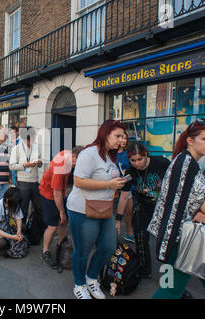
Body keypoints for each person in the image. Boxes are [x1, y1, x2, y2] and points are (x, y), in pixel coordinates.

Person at [148, 119, 205, 299]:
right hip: (181, 239)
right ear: (190, 140)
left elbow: (187, 200)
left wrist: (202, 209)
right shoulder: (187, 165)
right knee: (170, 289)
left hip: (185, 236)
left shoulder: (184, 161)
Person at [66, 119, 127, 299]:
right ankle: (79, 284)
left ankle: (91, 277)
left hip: (105, 208)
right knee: (83, 249)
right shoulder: (89, 153)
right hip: (82, 209)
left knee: (108, 247)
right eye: (117, 136)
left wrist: (116, 183)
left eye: (122, 136)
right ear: (105, 134)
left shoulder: (110, 155)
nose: (120, 140)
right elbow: (78, 181)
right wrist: (109, 184)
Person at [115, 143, 170, 279]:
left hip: (163, 206)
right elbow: (123, 196)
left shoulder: (162, 162)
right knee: (140, 237)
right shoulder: (130, 171)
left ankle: (170, 273)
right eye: (133, 160)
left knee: (166, 239)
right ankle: (144, 270)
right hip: (143, 205)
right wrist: (118, 219)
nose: (136, 163)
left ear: (146, 155)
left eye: (139, 159)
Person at [39, 146, 84, 269]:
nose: (78, 166)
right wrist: (61, 211)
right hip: (48, 193)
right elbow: (56, 193)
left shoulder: (68, 155)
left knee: (64, 221)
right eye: (78, 162)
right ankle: (45, 251)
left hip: (60, 192)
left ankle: (61, 246)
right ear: (73, 156)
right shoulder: (61, 167)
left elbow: (61, 189)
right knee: (53, 225)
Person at [9, 127, 42, 224]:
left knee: (39, 208)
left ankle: (36, 231)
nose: (31, 141)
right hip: (23, 182)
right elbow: (11, 166)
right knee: (23, 209)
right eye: (29, 139)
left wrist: (40, 163)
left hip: (35, 181)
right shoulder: (17, 148)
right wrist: (25, 165)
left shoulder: (36, 147)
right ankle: (21, 232)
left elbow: (40, 160)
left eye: (33, 138)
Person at [115, 131, 134, 243]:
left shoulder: (128, 153)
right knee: (107, 211)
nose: (123, 141)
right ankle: (108, 233)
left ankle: (128, 233)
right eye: (121, 138)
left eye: (125, 138)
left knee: (129, 210)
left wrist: (125, 180)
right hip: (111, 185)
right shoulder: (110, 154)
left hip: (126, 185)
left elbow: (132, 171)